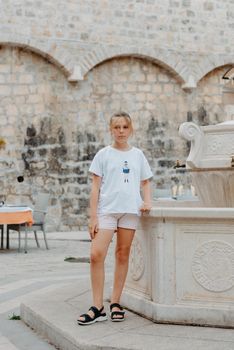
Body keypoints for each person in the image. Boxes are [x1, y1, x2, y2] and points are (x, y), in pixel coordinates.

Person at [78, 112, 153, 325]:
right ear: (111, 130)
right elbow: (95, 187)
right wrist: (93, 217)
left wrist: (147, 202)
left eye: (124, 127)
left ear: (131, 129)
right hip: (107, 211)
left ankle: (116, 302)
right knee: (96, 254)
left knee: (122, 254)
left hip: (130, 211)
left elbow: (146, 182)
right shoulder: (103, 154)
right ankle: (97, 307)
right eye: (117, 127)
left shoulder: (138, 154)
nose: (121, 131)